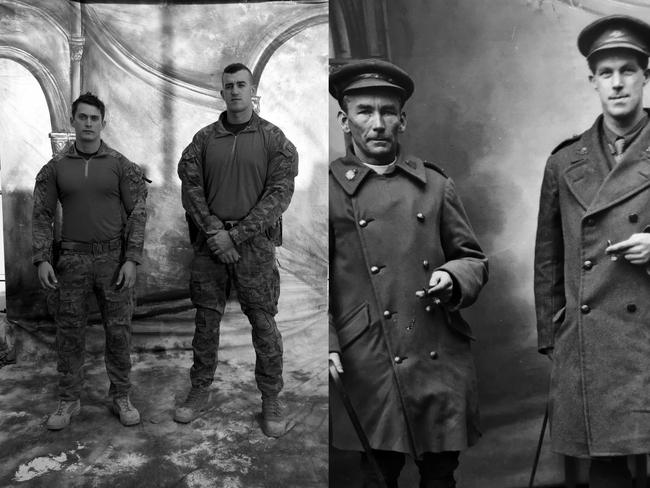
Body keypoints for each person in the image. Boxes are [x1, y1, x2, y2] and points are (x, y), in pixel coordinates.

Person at [328, 59, 488, 488]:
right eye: (365, 111)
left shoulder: (435, 185)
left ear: (403, 119)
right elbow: (312, 279)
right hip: (370, 355)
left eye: (387, 112)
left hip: (434, 347)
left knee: (440, 474)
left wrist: (454, 277)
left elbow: (472, 257)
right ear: (346, 120)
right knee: (379, 474)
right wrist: (325, 343)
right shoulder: (326, 191)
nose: (377, 123)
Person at [534, 15, 650, 487]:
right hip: (589, 340)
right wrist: (553, 336)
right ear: (593, 81)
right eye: (607, 73)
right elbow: (548, 257)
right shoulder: (564, 161)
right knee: (606, 469)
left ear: (646, 74)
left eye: (628, 70)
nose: (618, 83)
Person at [175, 63, 298, 437]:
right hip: (210, 245)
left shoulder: (274, 139)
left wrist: (237, 236)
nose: (235, 91)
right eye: (228, 86)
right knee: (205, 322)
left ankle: (271, 399)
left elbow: (279, 195)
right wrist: (215, 232)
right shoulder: (202, 140)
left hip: (254, 247)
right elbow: (190, 186)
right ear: (222, 92)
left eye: (241, 84)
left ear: (252, 88)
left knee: (262, 323)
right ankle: (199, 390)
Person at [32, 92, 148, 430]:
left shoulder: (120, 165)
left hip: (113, 261)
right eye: (82, 117)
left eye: (94, 118)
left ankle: (121, 396)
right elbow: (41, 214)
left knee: (119, 332)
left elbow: (137, 212)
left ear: (103, 122)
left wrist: (132, 259)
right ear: (73, 120)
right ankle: (68, 400)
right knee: (69, 332)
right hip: (71, 260)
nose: (87, 123)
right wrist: (42, 259)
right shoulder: (55, 168)